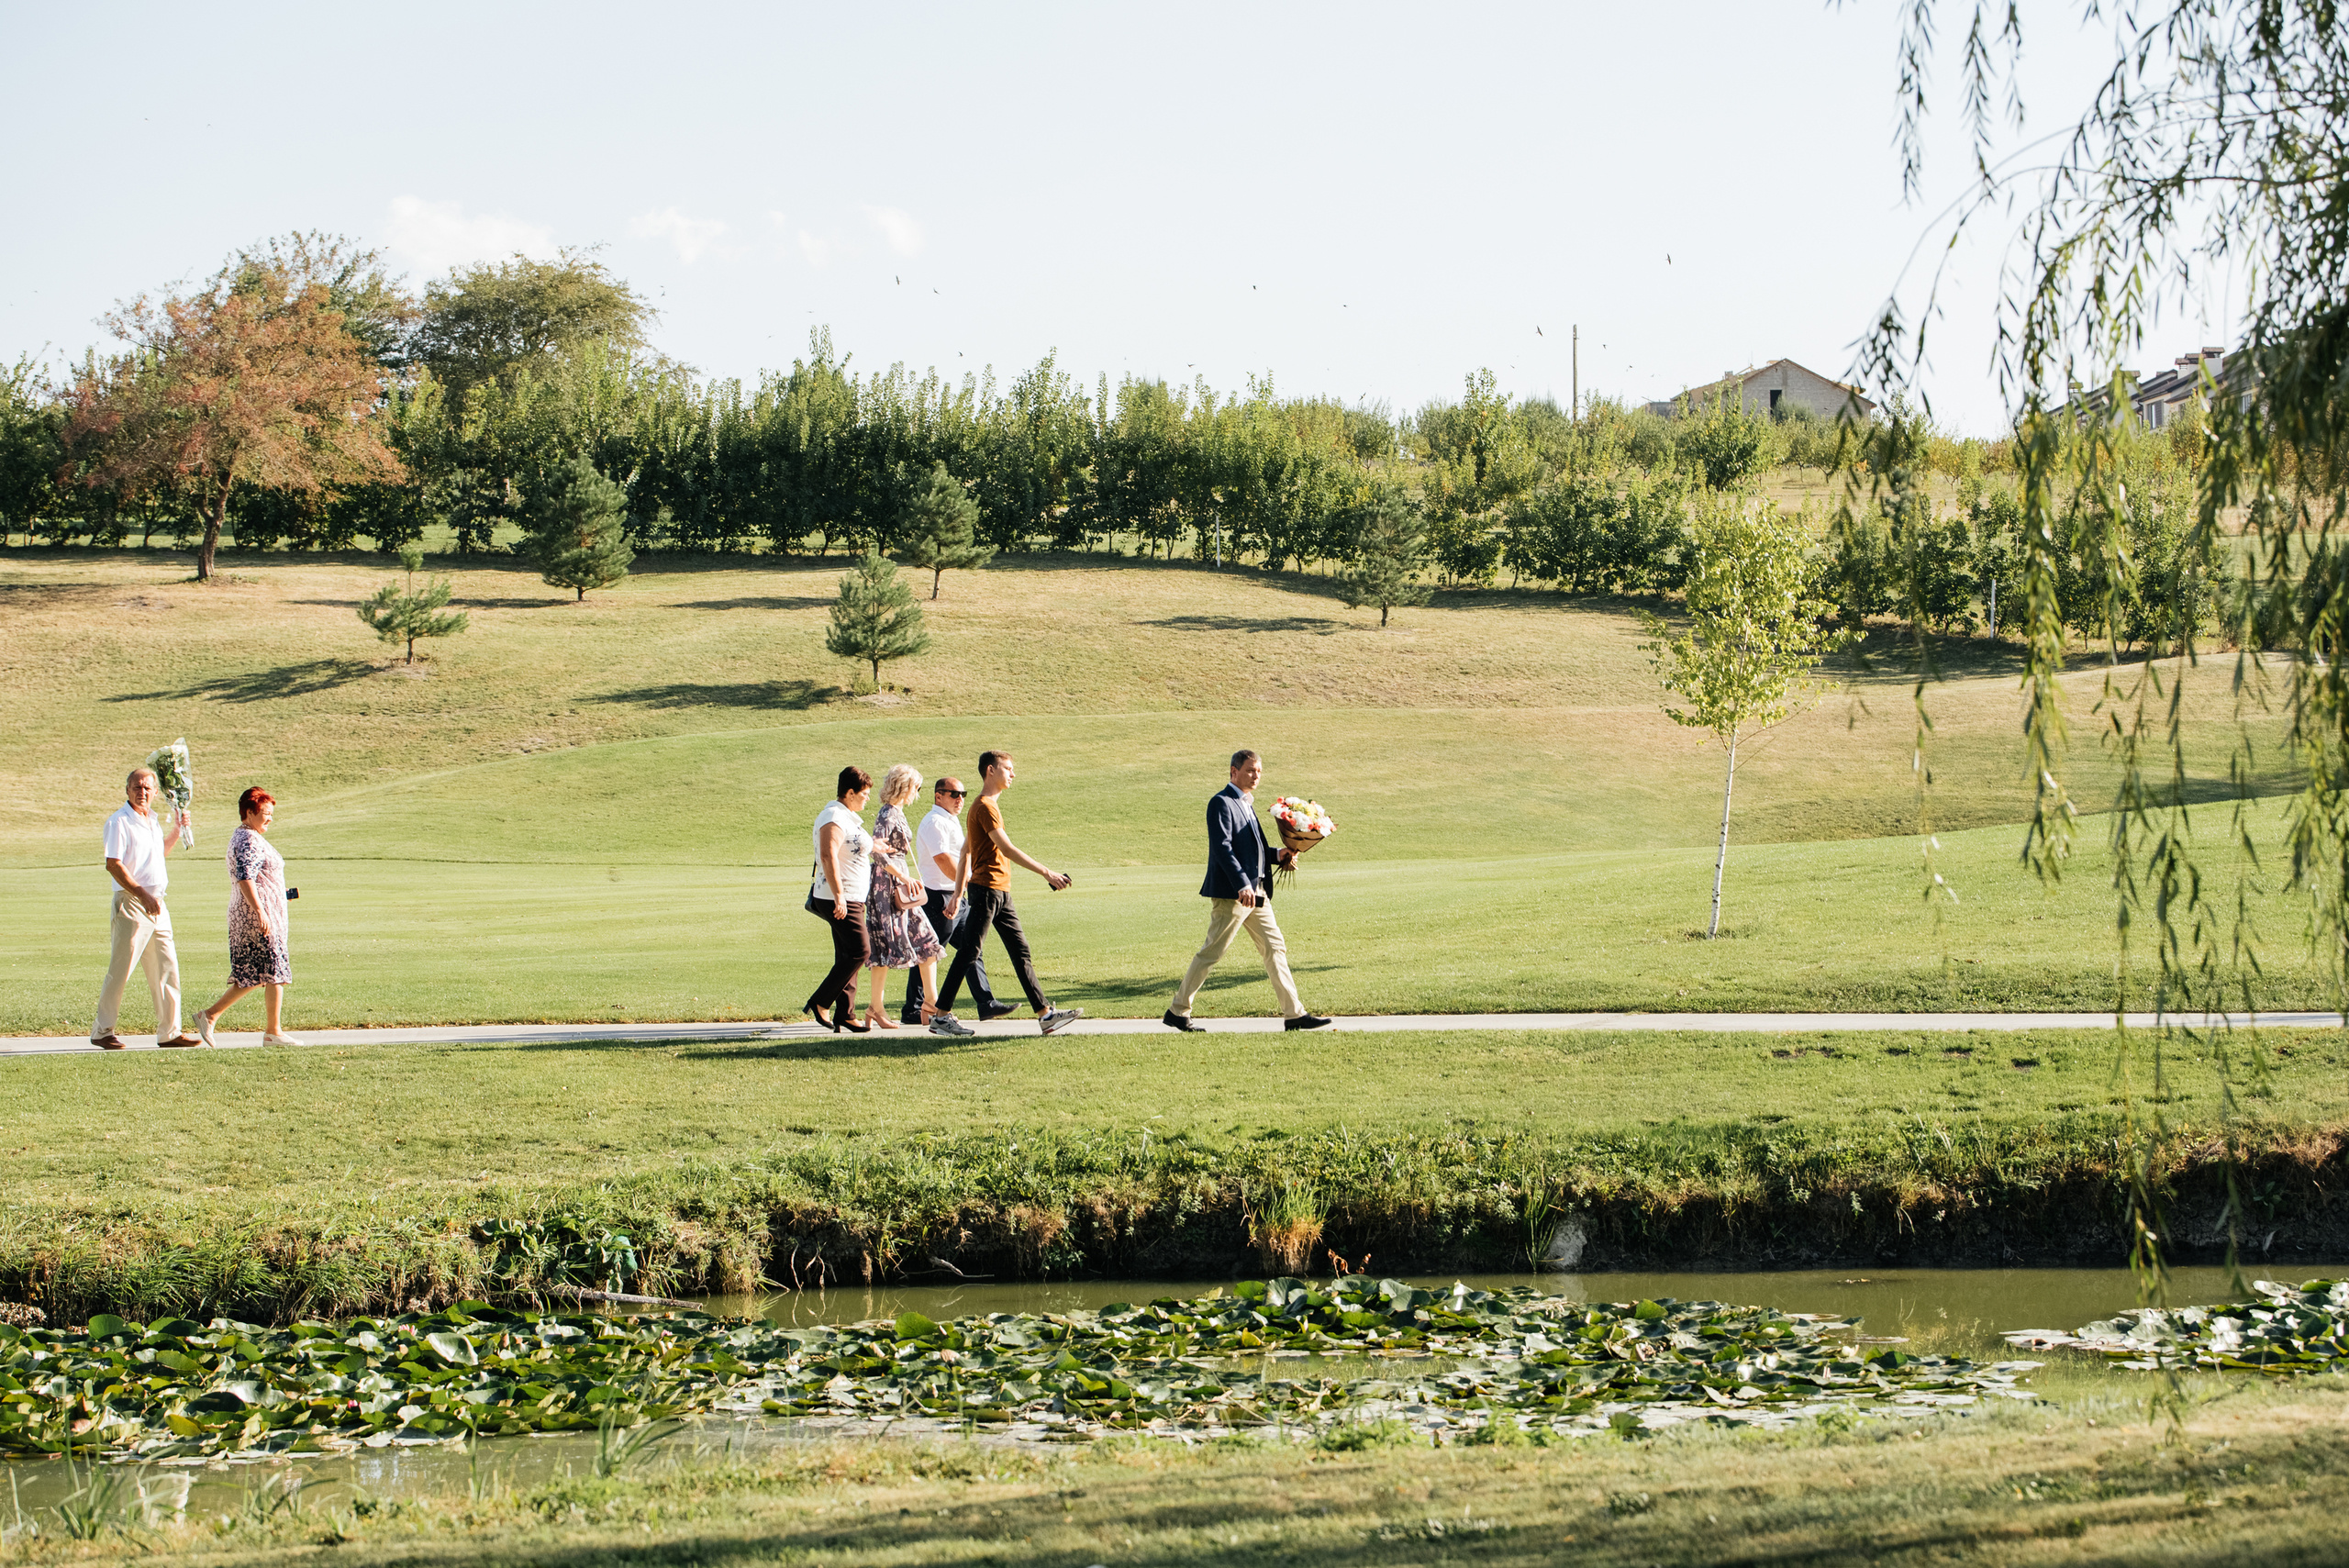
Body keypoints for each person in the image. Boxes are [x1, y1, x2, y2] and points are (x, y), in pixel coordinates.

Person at [1163, 750, 1332, 1032]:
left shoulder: (1246, 804)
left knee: (1275, 948)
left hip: (1258, 893)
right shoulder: (1221, 803)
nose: (1256, 776)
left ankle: (1294, 1014)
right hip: (1235, 893)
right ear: (1233, 772)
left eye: (1259, 771)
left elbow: (1253, 851)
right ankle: (1178, 1011)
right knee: (1212, 953)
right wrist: (1242, 883)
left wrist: (1279, 855)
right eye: (1251, 770)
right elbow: (1223, 848)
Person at [935, 751, 1084, 1036]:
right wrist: (1047, 873)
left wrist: (957, 893)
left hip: (999, 891)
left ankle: (1045, 1015)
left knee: (1019, 951)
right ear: (990, 770)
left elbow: (965, 851)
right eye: (1008, 769)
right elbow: (1006, 849)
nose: (1013, 774)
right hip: (988, 890)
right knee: (969, 952)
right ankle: (941, 1016)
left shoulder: (982, 806)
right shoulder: (984, 807)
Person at [93, 767, 201, 1050]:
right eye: (137, 787)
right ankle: (102, 1031)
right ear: (127, 790)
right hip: (132, 903)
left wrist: (177, 830)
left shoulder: (152, 821)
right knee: (121, 969)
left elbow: (156, 856)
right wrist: (141, 894)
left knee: (167, 966)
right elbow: (113, 864)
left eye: (147, 788)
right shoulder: (119, 822)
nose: (142, 792)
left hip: (157, 904)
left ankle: (170, 1032)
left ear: (155, 792)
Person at [863, 763, 974, 1036]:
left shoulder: (897, 813)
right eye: (917, 788)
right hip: (888, 887)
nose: (918, 793)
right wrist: (903, 876)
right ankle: (880, 1007)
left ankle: (930, 1005)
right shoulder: (887, 814)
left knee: (927, 943)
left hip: (903, 885)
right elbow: (877, 853)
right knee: (885, 947)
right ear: (905, 787)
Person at [194, 786, 299, 1047]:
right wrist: (261, 910)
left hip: (261, 914)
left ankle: (210, 1016)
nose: (270, 818)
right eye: (266, 813)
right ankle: (272, 1032)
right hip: (256, 919)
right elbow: (245, 877)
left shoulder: (248, 836)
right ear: (250, 813)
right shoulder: (248, 840)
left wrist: (281, 895)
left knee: (258, 972)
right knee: (272, 970)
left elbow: (259, 879)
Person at [897, 773, 1002, 1027]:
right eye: (954, 794)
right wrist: (963, 884)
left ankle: (986, 1004)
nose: (960, 799)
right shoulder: (934, 822)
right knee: (928, 953)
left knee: (970, 949)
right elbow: (943, 860)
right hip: (939, 898)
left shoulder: (950, 820)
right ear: (938, 796)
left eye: (963, 795)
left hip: (955, 895)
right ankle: (913, 1008)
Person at [805, 766, 875, 1034]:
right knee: (861, 951)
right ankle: (820, 1001)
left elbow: (852, 849)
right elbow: (827, 855)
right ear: (849, 793)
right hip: (839, 896)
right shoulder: (833, 816)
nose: (867, 798)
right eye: (864, 794)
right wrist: (839, 897)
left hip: (852, 896)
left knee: (847, 954)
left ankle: (845, 1014)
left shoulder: (848, 817)